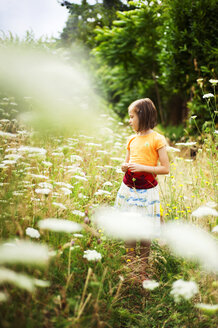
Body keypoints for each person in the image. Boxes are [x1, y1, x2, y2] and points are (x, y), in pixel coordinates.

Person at [115, 98, 169, 282]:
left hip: (147, 192)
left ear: (143, 116)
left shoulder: (157, 139)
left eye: (132, 117)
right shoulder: (131, 139)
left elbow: (165, 169)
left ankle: (143, 269)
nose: (129, 121)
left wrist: (144, 168)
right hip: (129, 189)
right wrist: (125, 166)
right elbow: (128, 162)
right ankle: (131, 267)